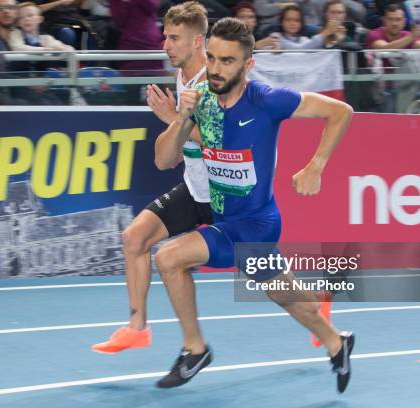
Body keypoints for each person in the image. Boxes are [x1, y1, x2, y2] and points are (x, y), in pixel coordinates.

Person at [152, 17, 355, 392]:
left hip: (256, 223)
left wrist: (316, 165)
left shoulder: (267, 99)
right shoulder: (202, 102)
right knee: (286, 295)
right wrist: (181, 118)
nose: (214, 68)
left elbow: (340, 112)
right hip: (227, 219)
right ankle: (336, 343)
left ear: (248, 65)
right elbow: (164, 160)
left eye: (227, 61)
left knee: (168, 257)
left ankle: (195, 350)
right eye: (211, 58)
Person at [90, 1, 213, 354]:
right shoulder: (183, 74)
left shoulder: (214, 82)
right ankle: (136, 328)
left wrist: (173, 117)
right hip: (194, 188)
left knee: (266, 275)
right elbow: (171, 152)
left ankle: (316, 305)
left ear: (197, 41)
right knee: (135, 238)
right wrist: (175, 122)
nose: (165, 45)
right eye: (165, 36)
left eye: (174, 38)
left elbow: (220, 140)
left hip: (224, 196)